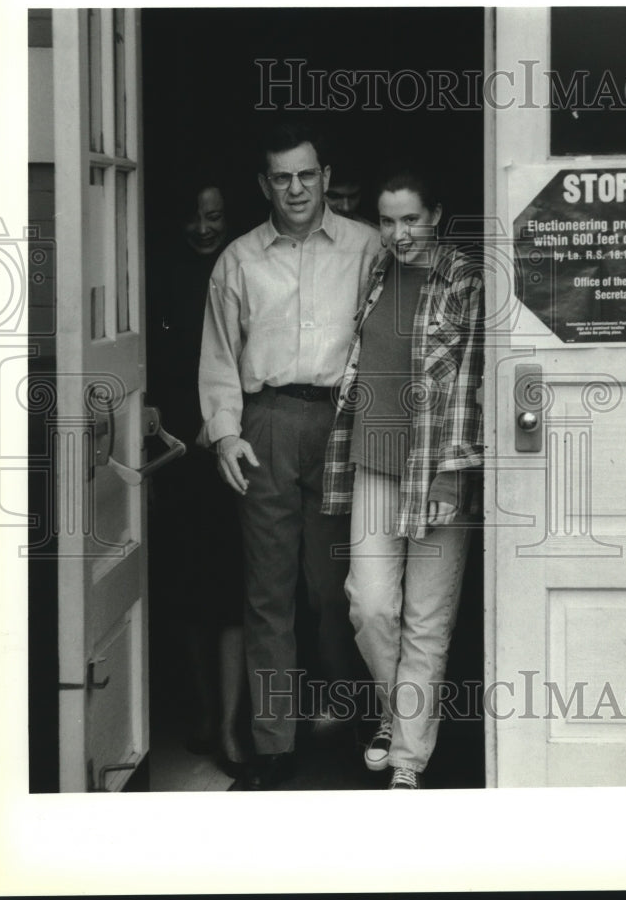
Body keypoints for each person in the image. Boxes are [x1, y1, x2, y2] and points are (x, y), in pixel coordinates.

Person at [198, 121, 380, 790]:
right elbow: (219, 354)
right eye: (282, 177)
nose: (296, 188)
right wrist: (225, 432)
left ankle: (362, 722)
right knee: (268, 594)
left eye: (307, 175)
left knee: (341, 592)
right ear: (264, 184)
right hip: (266, 425)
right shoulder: (239, 260)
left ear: (326, 176)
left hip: (344, 424)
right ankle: (274, 743)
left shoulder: (366, 248)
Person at [321, 165, 484, 789]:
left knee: (425, 620)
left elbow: (470, 378)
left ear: (435, 215)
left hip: (436, 471)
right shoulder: (379, 271)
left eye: (410, 218)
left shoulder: (464, 278)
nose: (398, 233)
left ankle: (408, 763)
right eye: (387, 221)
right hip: (374, 461)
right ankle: (398, 712)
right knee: (369, 607)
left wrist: (453, 474)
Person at [149, 185, 249, 776]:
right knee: (188, 590)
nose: (204, 227)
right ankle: (206, 714)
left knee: (235, 590)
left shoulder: (244, 265)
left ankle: (235, 726)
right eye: (193, 214)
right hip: (176, 451)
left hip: (234, 445)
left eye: (214, 214)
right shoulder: (156, 274)